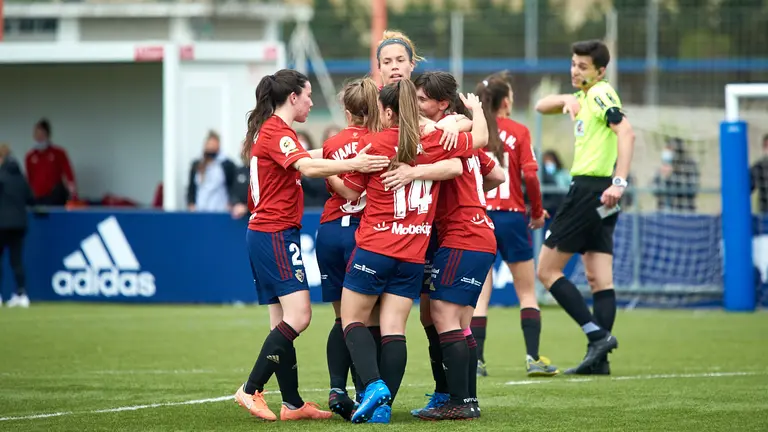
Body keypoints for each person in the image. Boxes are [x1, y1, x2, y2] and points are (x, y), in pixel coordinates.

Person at [232, 69, 390, 422]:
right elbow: (306, 164)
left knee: (281, 322)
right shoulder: (277, 130)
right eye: (307, 95)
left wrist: (346, 148)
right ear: (292, 98)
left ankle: (291, 403)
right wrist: (354, 162)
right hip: (274, 233)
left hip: (266, 233)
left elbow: (312, 153)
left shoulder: (274, 131)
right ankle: (250, 388)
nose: (311, 101)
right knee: (300, 316)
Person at [329, 80, 489, 424]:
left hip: (375, 247)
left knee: (351, 319)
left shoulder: (375, 143)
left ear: (387, 112)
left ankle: (373, 386)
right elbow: (472, 148)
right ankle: (383, 409)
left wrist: (328, 172)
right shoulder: (430, 141)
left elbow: (349, 193)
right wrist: (471, 113)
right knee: (394, 330)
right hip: (414, 254)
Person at [384, 71, 506, 420]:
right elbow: (496, 174)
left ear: (442, 104)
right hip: (474, 231)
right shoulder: (454, 132)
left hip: (462, 234)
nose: (417, 105)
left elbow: (460, 160)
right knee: (456, 322)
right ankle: (464, 399)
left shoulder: (442, 135)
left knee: (441, 315)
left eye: (422, 99)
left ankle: (459, 401)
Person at [534, 40, 635, 375]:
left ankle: (597, 335)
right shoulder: (582, 96)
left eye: (583, 66)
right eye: (573, 64)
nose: (575, 71)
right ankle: (599, 361)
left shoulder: (601, 93)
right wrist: (565, 98)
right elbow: (540, 106)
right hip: (601, 195)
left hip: (591, 190)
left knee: (546, 271)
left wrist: (620, 182)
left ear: (600, 71)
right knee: (598, 278)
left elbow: (626, 131)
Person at [470, 72, 558, 378]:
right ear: (506, 101)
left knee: (481, 293)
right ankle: (533, 357)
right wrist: (537, 211)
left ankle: (477, 361)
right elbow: (531, 175)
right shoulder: (518, 131)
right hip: (511, 216)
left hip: (480, 216)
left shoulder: (474, 131)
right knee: (527, 292)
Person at [316, 77, 381, 420]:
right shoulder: (382, 140)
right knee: (366, 319)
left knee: (342, 316)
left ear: (346, 110)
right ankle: (365, 391)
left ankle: (336, 388)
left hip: (329, 231)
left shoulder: (331, 143)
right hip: (363, 233)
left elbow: (340, 188)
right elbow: (358, 194)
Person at [0, 144, 34, 308]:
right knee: (17, 261)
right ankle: (21, 294)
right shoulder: (21, 179)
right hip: (19, 225)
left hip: (1, 225)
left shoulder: (1, 177)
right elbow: (31, 199)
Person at [25, 118, 76, 206]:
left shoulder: (58, 153)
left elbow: (69, 174)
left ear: (47, 134)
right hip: (37, 198)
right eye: (36, 134)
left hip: (54, 198)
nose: (39, 137)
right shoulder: (30, 157)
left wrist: (73, 194)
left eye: (41, 133)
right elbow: (29, 179)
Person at [186, 130, 237, 212]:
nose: (211, 148)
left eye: (214, 145)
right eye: (209, 145)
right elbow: (191, 187)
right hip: (200, 211)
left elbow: (233, 186)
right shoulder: (197, 164)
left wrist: (231, 203)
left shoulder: (227, 164)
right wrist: (191, 204)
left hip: (220, 211)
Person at [541, 150, 572, 218]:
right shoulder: (543, 176)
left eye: (550, 160)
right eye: (545, 161)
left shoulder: (563, 174)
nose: (548, 163)